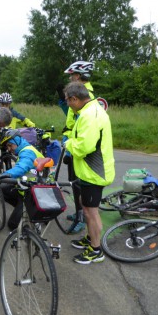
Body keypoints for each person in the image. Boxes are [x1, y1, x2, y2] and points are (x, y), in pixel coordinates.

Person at [63, 81, 115, 265]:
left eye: (68, 101)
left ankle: (95, 249)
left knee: (91, 212)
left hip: (94, 173)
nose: (67, 104)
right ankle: (89, 238)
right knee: (83, 204)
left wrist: (67, 143)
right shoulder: (89, 110)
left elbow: (84, 147)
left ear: (75, 98)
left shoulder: (89, 115)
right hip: (89, 171)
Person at [57, 61, 96, 233]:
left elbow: (82, 124)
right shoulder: (79, 94)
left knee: (79, 183)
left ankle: (82, 217)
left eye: (71, 76)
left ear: (78, 76)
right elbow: (71, 118)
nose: (70, 79)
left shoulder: (85, 96)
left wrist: (71, 143)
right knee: (74, 181)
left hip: (79, 145)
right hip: (72, 142)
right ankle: (79, 212)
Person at [0, 129, 44, 230]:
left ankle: (34, 212)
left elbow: (21, 168)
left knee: (12, 225)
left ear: (16, 141)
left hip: (35, 193)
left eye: (10, 145)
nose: (8, 149)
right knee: (3, 188)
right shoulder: (25, 149)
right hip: (29, 188)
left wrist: (4, 175)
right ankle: (24, 210)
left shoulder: (27, 152)